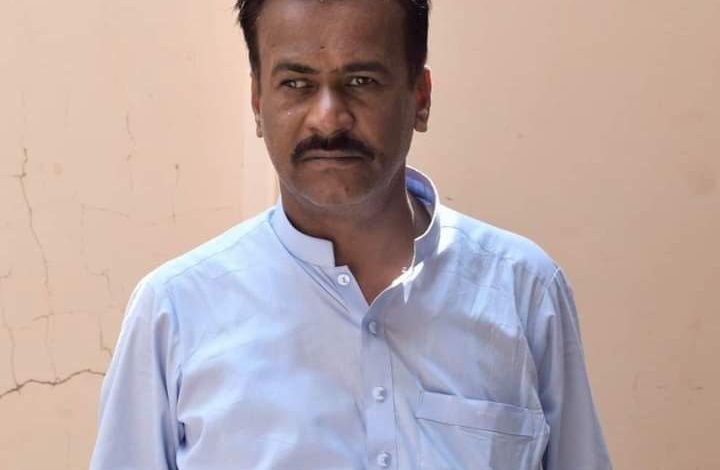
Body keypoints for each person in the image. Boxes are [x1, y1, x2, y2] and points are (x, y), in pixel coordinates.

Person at [90, 0, 612, 469]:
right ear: (256, 101)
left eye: (361, 80)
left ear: (420, 97)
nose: (328, 118)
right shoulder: (175, 311)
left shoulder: (522, 289)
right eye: (296, 84)